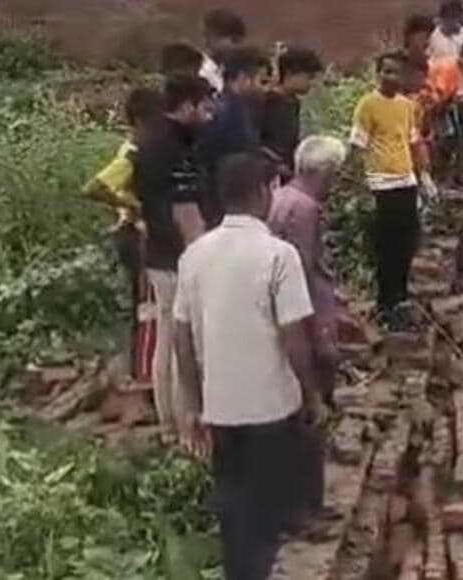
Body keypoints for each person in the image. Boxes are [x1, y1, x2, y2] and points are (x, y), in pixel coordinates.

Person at [172, 152, 325, 580]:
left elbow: (182, 337)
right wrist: (310, 395)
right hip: (271, 405)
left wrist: (192, 403)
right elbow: (294, 336)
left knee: (235, 507)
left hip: (220, 406)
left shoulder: (194, 256)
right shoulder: (278, 256)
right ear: (262, 192)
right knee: (268, 511)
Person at [267, 135, 346, 534]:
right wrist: (320, 336)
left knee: (299, 417)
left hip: (294, 319)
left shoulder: (282, 198)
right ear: (325, 172)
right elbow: (298, 277)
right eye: (336, 173)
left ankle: (306, 505)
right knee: (308, 413)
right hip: (306, 321)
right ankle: (302, 511)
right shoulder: (304, 209)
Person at [133, 73, 215, 442]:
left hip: (157, 254)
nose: (211, 113)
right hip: (181, 256)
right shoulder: (176, 148)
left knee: (165, 339)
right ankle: (188, 430)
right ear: (187, 106)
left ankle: (168, 425)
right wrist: (203, 261)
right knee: (187, 342)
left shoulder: (148, 142)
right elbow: (186, 212)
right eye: (206, 105)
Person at [83, 86, 165, 383]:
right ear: (142, 121)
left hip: (131, 232)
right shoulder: (133, 153)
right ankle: (142, 370)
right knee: (146, 307)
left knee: (141, 306)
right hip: (135, 234)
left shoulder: (134, 148)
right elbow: (94, 187)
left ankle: (140, 367)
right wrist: (135, 206)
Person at [351, 51, 432, 329]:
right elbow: (358, 147)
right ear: (378, 74)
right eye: (386, 71)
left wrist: (424, 175)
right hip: (380, 183)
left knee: (406, 243)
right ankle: (385, 302)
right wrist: (361, 187)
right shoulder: (368, 105)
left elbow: (414, 142)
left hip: (405, 182)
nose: (391, 77)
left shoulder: (407, 106)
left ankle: (401, 297)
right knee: (386, 246)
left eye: (396, 72)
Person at [200, 47, 271, 221]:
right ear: (242, 78)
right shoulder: (228, 114)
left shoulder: (239, 109)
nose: (266, 89)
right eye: (262, 81)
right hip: (227, 205)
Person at [423, 40, 463, 173]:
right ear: (462, 55)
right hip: (427, 104)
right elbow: (438, 96)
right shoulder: (449, 68)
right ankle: (435, 172)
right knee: (443, 139)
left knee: (451, 138)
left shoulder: (461, 72)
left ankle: (444, 171)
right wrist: (432, 119)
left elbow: (450, 96)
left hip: (440, 106)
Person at [262, 46, 324, 180]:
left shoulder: (293, 103)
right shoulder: (266, 101)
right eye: (309, 77)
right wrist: (275, 165)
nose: (311, 83)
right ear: (290, 73)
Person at [200, 9, 248, 93]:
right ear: (212, 37)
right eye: (233, 41)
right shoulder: (198, 71)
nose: (237, 47)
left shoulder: (229, 72)